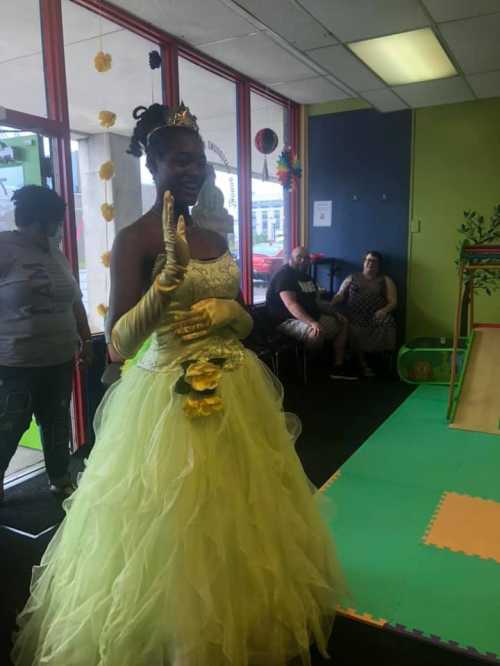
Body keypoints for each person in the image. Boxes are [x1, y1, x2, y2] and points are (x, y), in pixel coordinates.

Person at [12, 104, 344, 666]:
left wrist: (224, 314)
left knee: (243, 511)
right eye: (180, 160)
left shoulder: (214, 233)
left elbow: (243, 318)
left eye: (198, 161)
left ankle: (242, 614)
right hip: (166, 395)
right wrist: (161, 288)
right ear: (155, 165)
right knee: (175, 524)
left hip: (235, 389)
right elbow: (116, 343)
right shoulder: (134, 240)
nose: (193, 170)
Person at [0, 185, 92, 503]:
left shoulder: (56, 254)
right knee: (9, 426)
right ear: (40, 221)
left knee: (56, 424)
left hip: (59, 359)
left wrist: (84, 336)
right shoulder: (4, 248)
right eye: (56, 222)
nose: (59, 230)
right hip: (16, 363)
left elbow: (74, 299)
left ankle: (60, 478)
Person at [266, 246, 356, 380]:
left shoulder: (307, 278)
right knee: (316, 334)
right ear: (291, 259)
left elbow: (317, 303)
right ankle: (309, 365)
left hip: (309, 317)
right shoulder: (284, 276)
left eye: (306, 258)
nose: (303, 260)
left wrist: (335, 314)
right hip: (286, 320)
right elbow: (292, 305)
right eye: (299, 257)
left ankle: (338, 367)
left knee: (343, 323)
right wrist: (313, 323)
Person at [332, 250, 397, 377]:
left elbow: (393, 301)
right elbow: (340, 294)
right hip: (353, 315)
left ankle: (386, 364)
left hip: (375, 315)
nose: (370, 263)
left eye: (374, 261)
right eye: (368, 260)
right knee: (353, 329)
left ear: (379, 265)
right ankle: (362, 365)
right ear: (364, 262)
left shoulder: (385, 280)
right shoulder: (352, 277)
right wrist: (331, 304)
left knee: (389, 322)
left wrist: (384, 310)